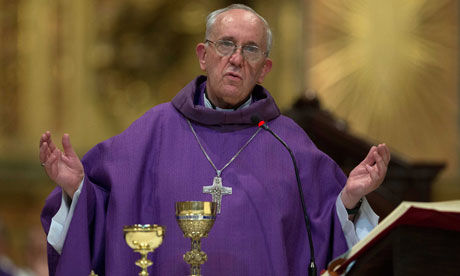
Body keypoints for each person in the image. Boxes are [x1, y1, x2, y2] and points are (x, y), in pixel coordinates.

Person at [39, 4, 390, 275]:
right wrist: (77, 190)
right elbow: (103, 213)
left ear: (265, 68)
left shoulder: (290, 145)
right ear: (203, 56)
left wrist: (350, 198)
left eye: (251, 49)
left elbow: (325, 244)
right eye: (226, 45)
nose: (236, 59)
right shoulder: (152, 132)